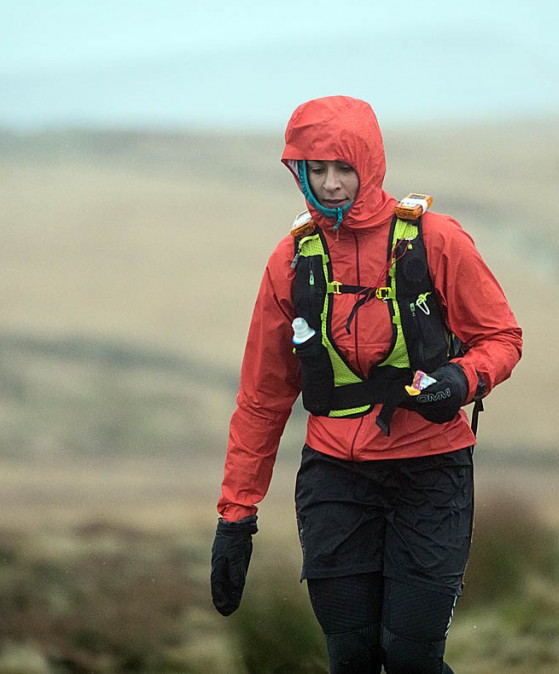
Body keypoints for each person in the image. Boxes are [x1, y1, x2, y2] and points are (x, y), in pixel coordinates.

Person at [211, 95, 522, 674]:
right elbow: (262, 399)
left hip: (431, 474)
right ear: (298, 171)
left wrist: (461, 378)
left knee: (409, 660)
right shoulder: (291, 260)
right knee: (351, 658)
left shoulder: (436, 239)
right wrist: (236, 517)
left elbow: (502, 338)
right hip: (335, 477)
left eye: (343, 168)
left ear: (370, 165)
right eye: (316, 169)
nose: (330, 184)